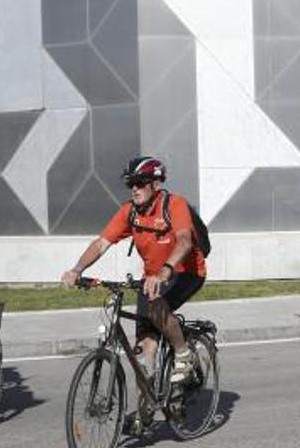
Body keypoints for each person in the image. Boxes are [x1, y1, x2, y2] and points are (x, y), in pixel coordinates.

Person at [61, 157, 206, 383]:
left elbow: (185, 241)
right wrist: (77, 269)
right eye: (131, 184)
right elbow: (101, 243)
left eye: (140, 183)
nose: (135, 189)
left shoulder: (173, 205)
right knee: (143, 345)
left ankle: (183, 352)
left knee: (156, 305)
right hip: (151, 278)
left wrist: (165, 271)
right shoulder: (130, 211)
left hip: (186, 272)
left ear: (155, 185)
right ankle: (147, 405)